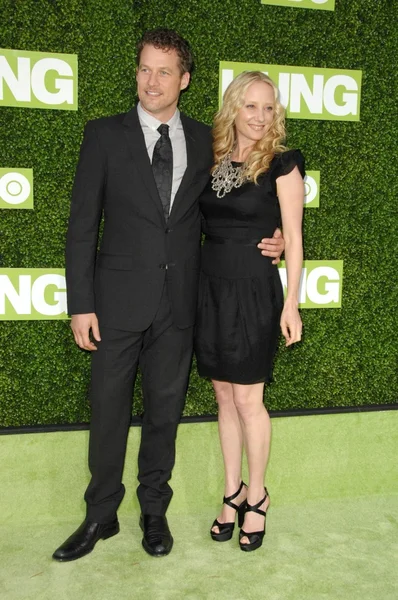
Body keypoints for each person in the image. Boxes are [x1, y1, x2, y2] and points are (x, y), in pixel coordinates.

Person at [53, 30, 285, 562]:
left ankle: (153, 512)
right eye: (144, 69)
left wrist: (272, 241)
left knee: (164, 413)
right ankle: (99, 516)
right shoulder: (103, 135)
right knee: (108, 412)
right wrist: (80, 303)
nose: (151, 81)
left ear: (184, 79)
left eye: (164, 71)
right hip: (114, 304)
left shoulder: (212, 142)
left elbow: (246, 200)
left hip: (182, 304)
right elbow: (81, 227)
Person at [195, 71, 304, 552]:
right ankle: (231, 491)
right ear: (233, 108)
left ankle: (257, 498)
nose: (261, 117)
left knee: (247, 400)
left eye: (268, 107)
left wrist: (293, 302)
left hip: (254, 291)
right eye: (251, 106)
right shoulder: (212, 158)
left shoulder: (282, 165)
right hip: (210, 289)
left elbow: (294, 240)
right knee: (223, 395)